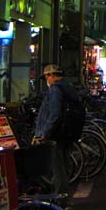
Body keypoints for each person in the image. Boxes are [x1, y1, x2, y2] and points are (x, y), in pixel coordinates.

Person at [32, 64, 80, 201]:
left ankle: (61, 201)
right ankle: (64, 197)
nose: (46, 80)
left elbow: (55, 114)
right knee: (64, 166)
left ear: (51, 76)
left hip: (56, 135)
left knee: (58, 169)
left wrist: (45, 133)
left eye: (46, 77)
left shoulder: (55, 89)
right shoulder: (68, 87)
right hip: (67, 133)